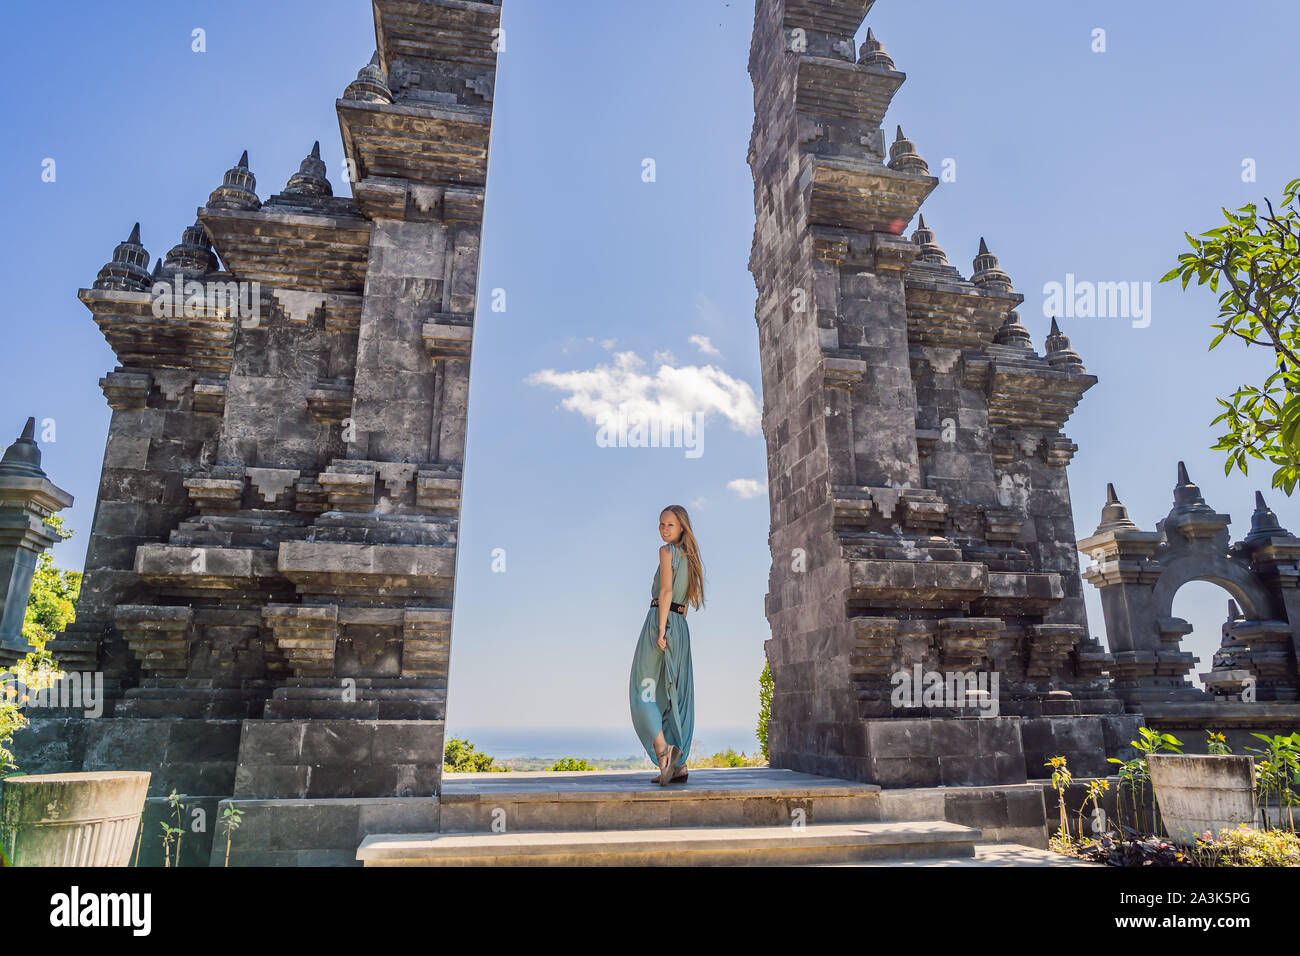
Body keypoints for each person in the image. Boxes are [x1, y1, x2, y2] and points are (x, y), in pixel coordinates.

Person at [628, 505, 704, 786]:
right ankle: (679, 766)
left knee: (642, 689)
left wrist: (660, 628)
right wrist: (672, 626)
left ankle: (664, 753)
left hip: (661, 622)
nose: (664, 530)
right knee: (674, 693)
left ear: (682, 526)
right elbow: (683, 601)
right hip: (681, 626)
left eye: (670, 525)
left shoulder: (667, 553)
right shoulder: (691, 558)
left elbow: (666, 591)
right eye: (661, 525)